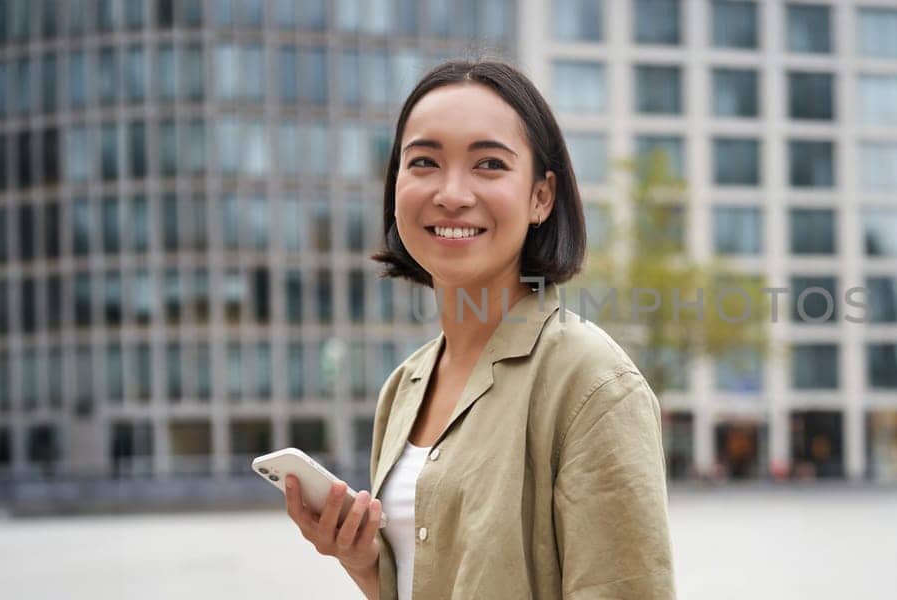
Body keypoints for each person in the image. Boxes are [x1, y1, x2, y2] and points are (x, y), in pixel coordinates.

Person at [279, 57, 676, 599]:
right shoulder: (402, 388)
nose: (452, 193)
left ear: (541, 196)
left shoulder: (592, 384)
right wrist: (368, 565)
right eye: (424, 162)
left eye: (489, 164)